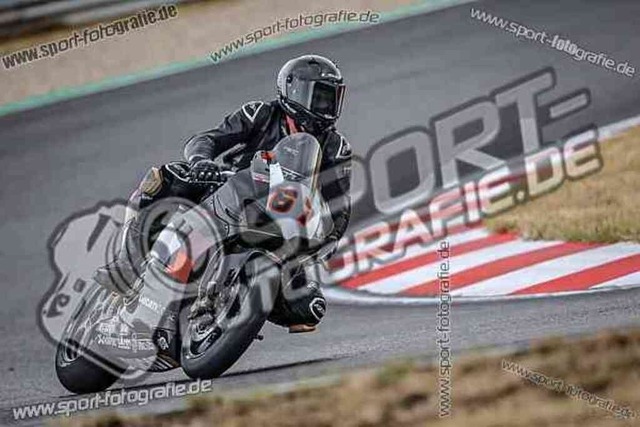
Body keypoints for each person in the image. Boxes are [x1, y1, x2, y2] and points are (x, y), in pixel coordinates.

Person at [94, 54, 352, 334]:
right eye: (318, 97)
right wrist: (202, 162)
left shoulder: (335, 148)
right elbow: (207, 139)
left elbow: (339, 206)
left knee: (310, 307)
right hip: (227, 190)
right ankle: (127, 264)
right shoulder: (261, 114)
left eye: (331, 98)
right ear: (293, 90)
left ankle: (234, 305)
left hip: (282, 221)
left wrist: (326, 242)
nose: (325, 107)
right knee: (164, 178)